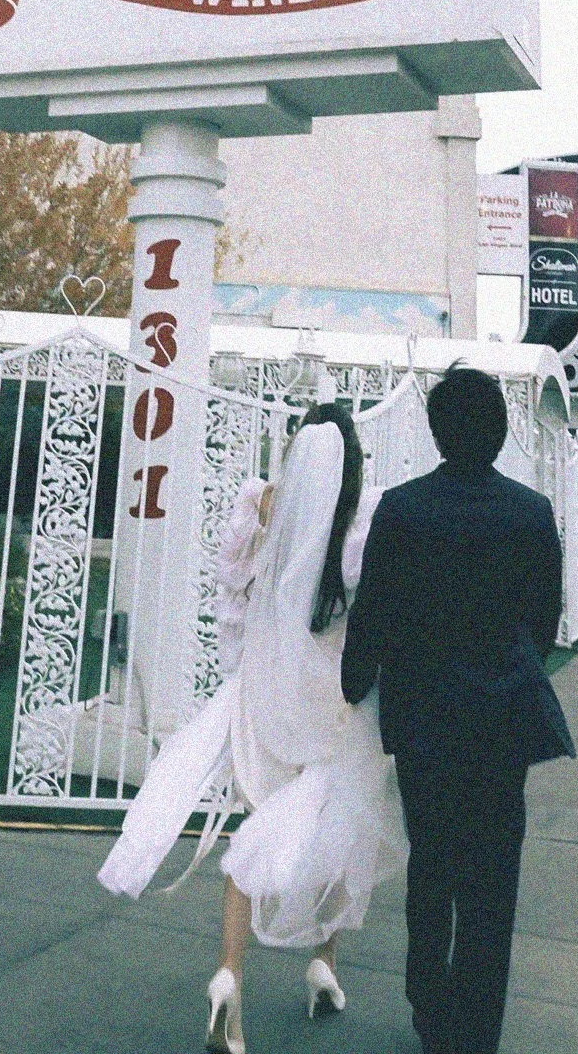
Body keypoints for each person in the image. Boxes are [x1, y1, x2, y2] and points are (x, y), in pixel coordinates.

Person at [98, 402, 405, 1054]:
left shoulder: (260, 507)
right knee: (339, 822)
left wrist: (242, 674)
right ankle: (323, 959)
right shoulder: (364, 520)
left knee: (257, 822)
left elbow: (231, 601)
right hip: (335, 698)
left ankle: (229, 975)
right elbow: (374, 613)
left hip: (266, 693)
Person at [341, 366, 572, 1054]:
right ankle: (478, 1029)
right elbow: (544, 620)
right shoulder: (530, 512)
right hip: (501, 719)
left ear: (438, 433)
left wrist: (355, 681)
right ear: (499, 432)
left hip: (424, 721)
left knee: (432, 862)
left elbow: (373, 611)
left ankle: (429, 1002)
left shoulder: (403, 509)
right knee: (493, 877)